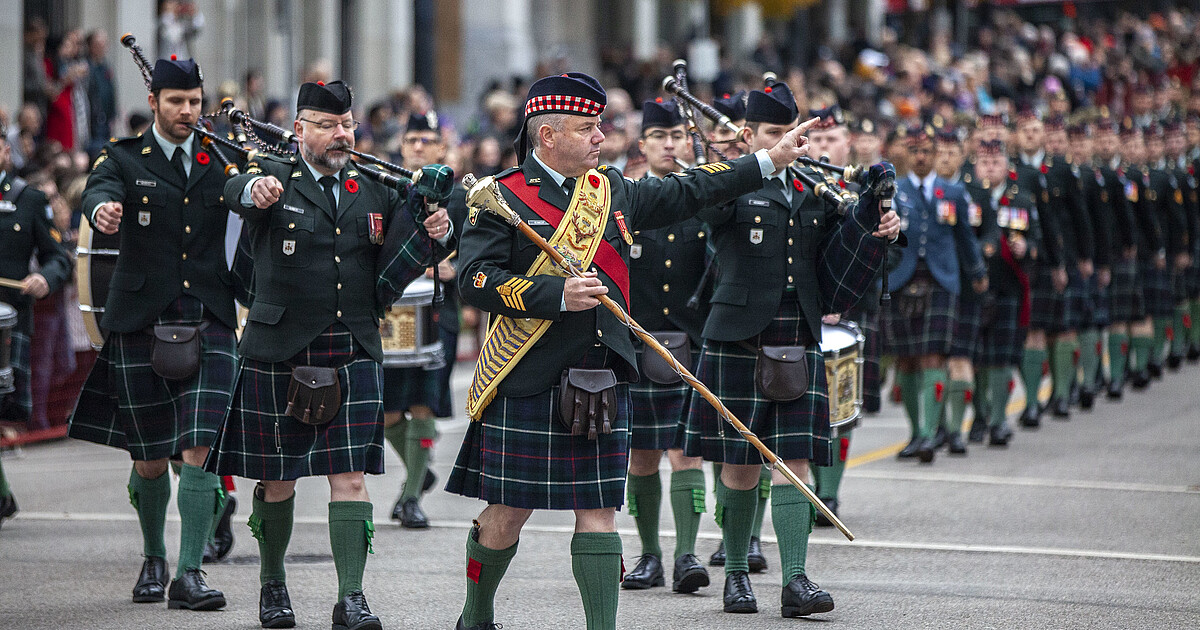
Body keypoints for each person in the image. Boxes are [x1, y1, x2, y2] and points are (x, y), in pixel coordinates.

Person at [448, 72, 835, 630]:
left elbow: (693, 189)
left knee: (600, 515)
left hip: (602, 375)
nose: (601, 137)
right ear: (547, 136)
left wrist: (768, 158)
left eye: (600, 126)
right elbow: (474, 282)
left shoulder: (613, 190)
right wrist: (556, 294)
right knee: (507, 513)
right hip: (527, 374)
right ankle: (476, 615)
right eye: (587, 128)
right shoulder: (501, 197)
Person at [205, 79, 453, 630]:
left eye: (346, 124)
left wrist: (438, 223)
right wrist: (253, 192)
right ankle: (273, 587)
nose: (340, 134)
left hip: (352, 347)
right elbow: (235, 189)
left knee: (351, 478)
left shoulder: (374, 186)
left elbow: (408, 243)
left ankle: (351, 597)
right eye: (326, 124)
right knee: (277, 480)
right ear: (300, 130)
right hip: (281, 347)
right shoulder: (274, 175)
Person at [682, 79, 899, 618]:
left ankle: (796, 579)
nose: (786, 141)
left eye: (790, 131)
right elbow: (704, 208)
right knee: (739, 465)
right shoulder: (729, 182)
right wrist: (751, 163)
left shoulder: (808, 191)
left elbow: (837, 253)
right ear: (749, 134)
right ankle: (735, 576)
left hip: (796, 334)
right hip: (736, 335)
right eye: (774, 133)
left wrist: (877, 221)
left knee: (796, 463)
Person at [68, 57, 238, 610]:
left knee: (199, 446)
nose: (187, 112)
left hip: (209, 315)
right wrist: (102, 211)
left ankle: (189, 574)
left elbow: (248, 192)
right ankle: (153, 557)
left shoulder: (223, 158)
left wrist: (259, 187)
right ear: (155, 101)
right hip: (141, 319)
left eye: (194, 101)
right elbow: (95, 192)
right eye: (176, 102)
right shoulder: (122, 157)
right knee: (147, 456)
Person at [620, 98, 711, 595]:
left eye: (678, 134)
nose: (670, 143)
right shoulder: (629, 200)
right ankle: (650, 554)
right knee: (641, 455)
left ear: (690, 140)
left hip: (692, 345)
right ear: (644, 145)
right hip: (640, 343)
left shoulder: (705, 200)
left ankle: (687, 555)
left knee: (687, 455)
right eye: (660, 137)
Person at [382, 111, 466, 529]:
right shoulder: (385, 186)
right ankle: (420, 470)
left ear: (441, 148)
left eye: (427, 140)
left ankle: (412, 495)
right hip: (391, 312)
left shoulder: (463, 195)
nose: (418, 146)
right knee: (388, 412)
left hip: (437, 311)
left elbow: (481, 245)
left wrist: (458, 266)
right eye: (411, 138)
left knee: (423, 404)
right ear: (401, 145)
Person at [887, 124, 985, 463]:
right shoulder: (894, 190)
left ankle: (930, 434)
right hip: (901, 281)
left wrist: (977, 272)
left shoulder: (953, 192)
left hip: (942, 281)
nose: (921, 157)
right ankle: (915, 433)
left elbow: (965, 238)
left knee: (934, 357)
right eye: (915, 151)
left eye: (927, 151)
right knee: (908, 360)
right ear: (907, 154)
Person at [701, 90, 770, 571]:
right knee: (727, 450)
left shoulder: (803, 184)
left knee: (769, 450)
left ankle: (753, 541)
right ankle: (729, 539)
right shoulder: (717, 180)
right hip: (718, 322)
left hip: (778, 328)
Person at [0, 121, 73, 528]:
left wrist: (45, 277)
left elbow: (59, 256)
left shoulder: (28, 200)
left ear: (6, 152)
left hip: (9, 321)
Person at [962, 139, 1039, 445]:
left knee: (1001, 358)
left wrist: (1026, 247)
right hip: (974, 288)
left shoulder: (1021, 199)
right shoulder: (967, 196)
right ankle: (979, 418)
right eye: (984, 161)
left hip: (1007, 287)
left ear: (1007, 166)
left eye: (996, 162)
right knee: (977, 357)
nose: (990, 167)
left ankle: (998, 420)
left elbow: (1037, 240)